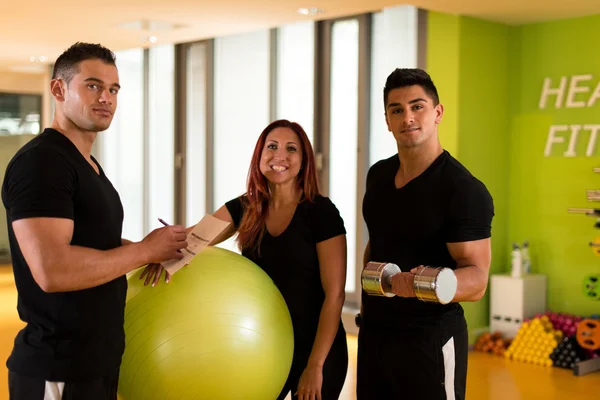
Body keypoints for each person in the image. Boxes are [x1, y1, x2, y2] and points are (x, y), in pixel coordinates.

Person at [1, 42, 188, 400]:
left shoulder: (87, 165)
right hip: (56, 368)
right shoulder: (42, 163)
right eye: (93, 85)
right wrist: (144, 251)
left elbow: (91, 242)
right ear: (59, 89)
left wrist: (151, 250)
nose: (106, 98)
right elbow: (53, 270)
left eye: (113, 89)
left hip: (96, 364)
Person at [142, 119, 349, 400]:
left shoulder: (321, 213)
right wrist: (156, 253)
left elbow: (334, 295)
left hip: (317, 348)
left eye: (291, 149)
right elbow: (194, 239)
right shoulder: (247, 207)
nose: (280, 156)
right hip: (265, 344)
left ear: (304, 161)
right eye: (272, 146)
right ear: (259, 155)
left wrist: (315, 365)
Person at [357, 68, 494, 400]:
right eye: (397, 109)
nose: (408, 117)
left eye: (417, 106)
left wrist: (427, 283)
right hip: (375, 336)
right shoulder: (378, 175)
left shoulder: (462, 189)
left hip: (429, 339)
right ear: (387, 120)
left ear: (438, 113)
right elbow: (376, 245)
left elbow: (476, 279)